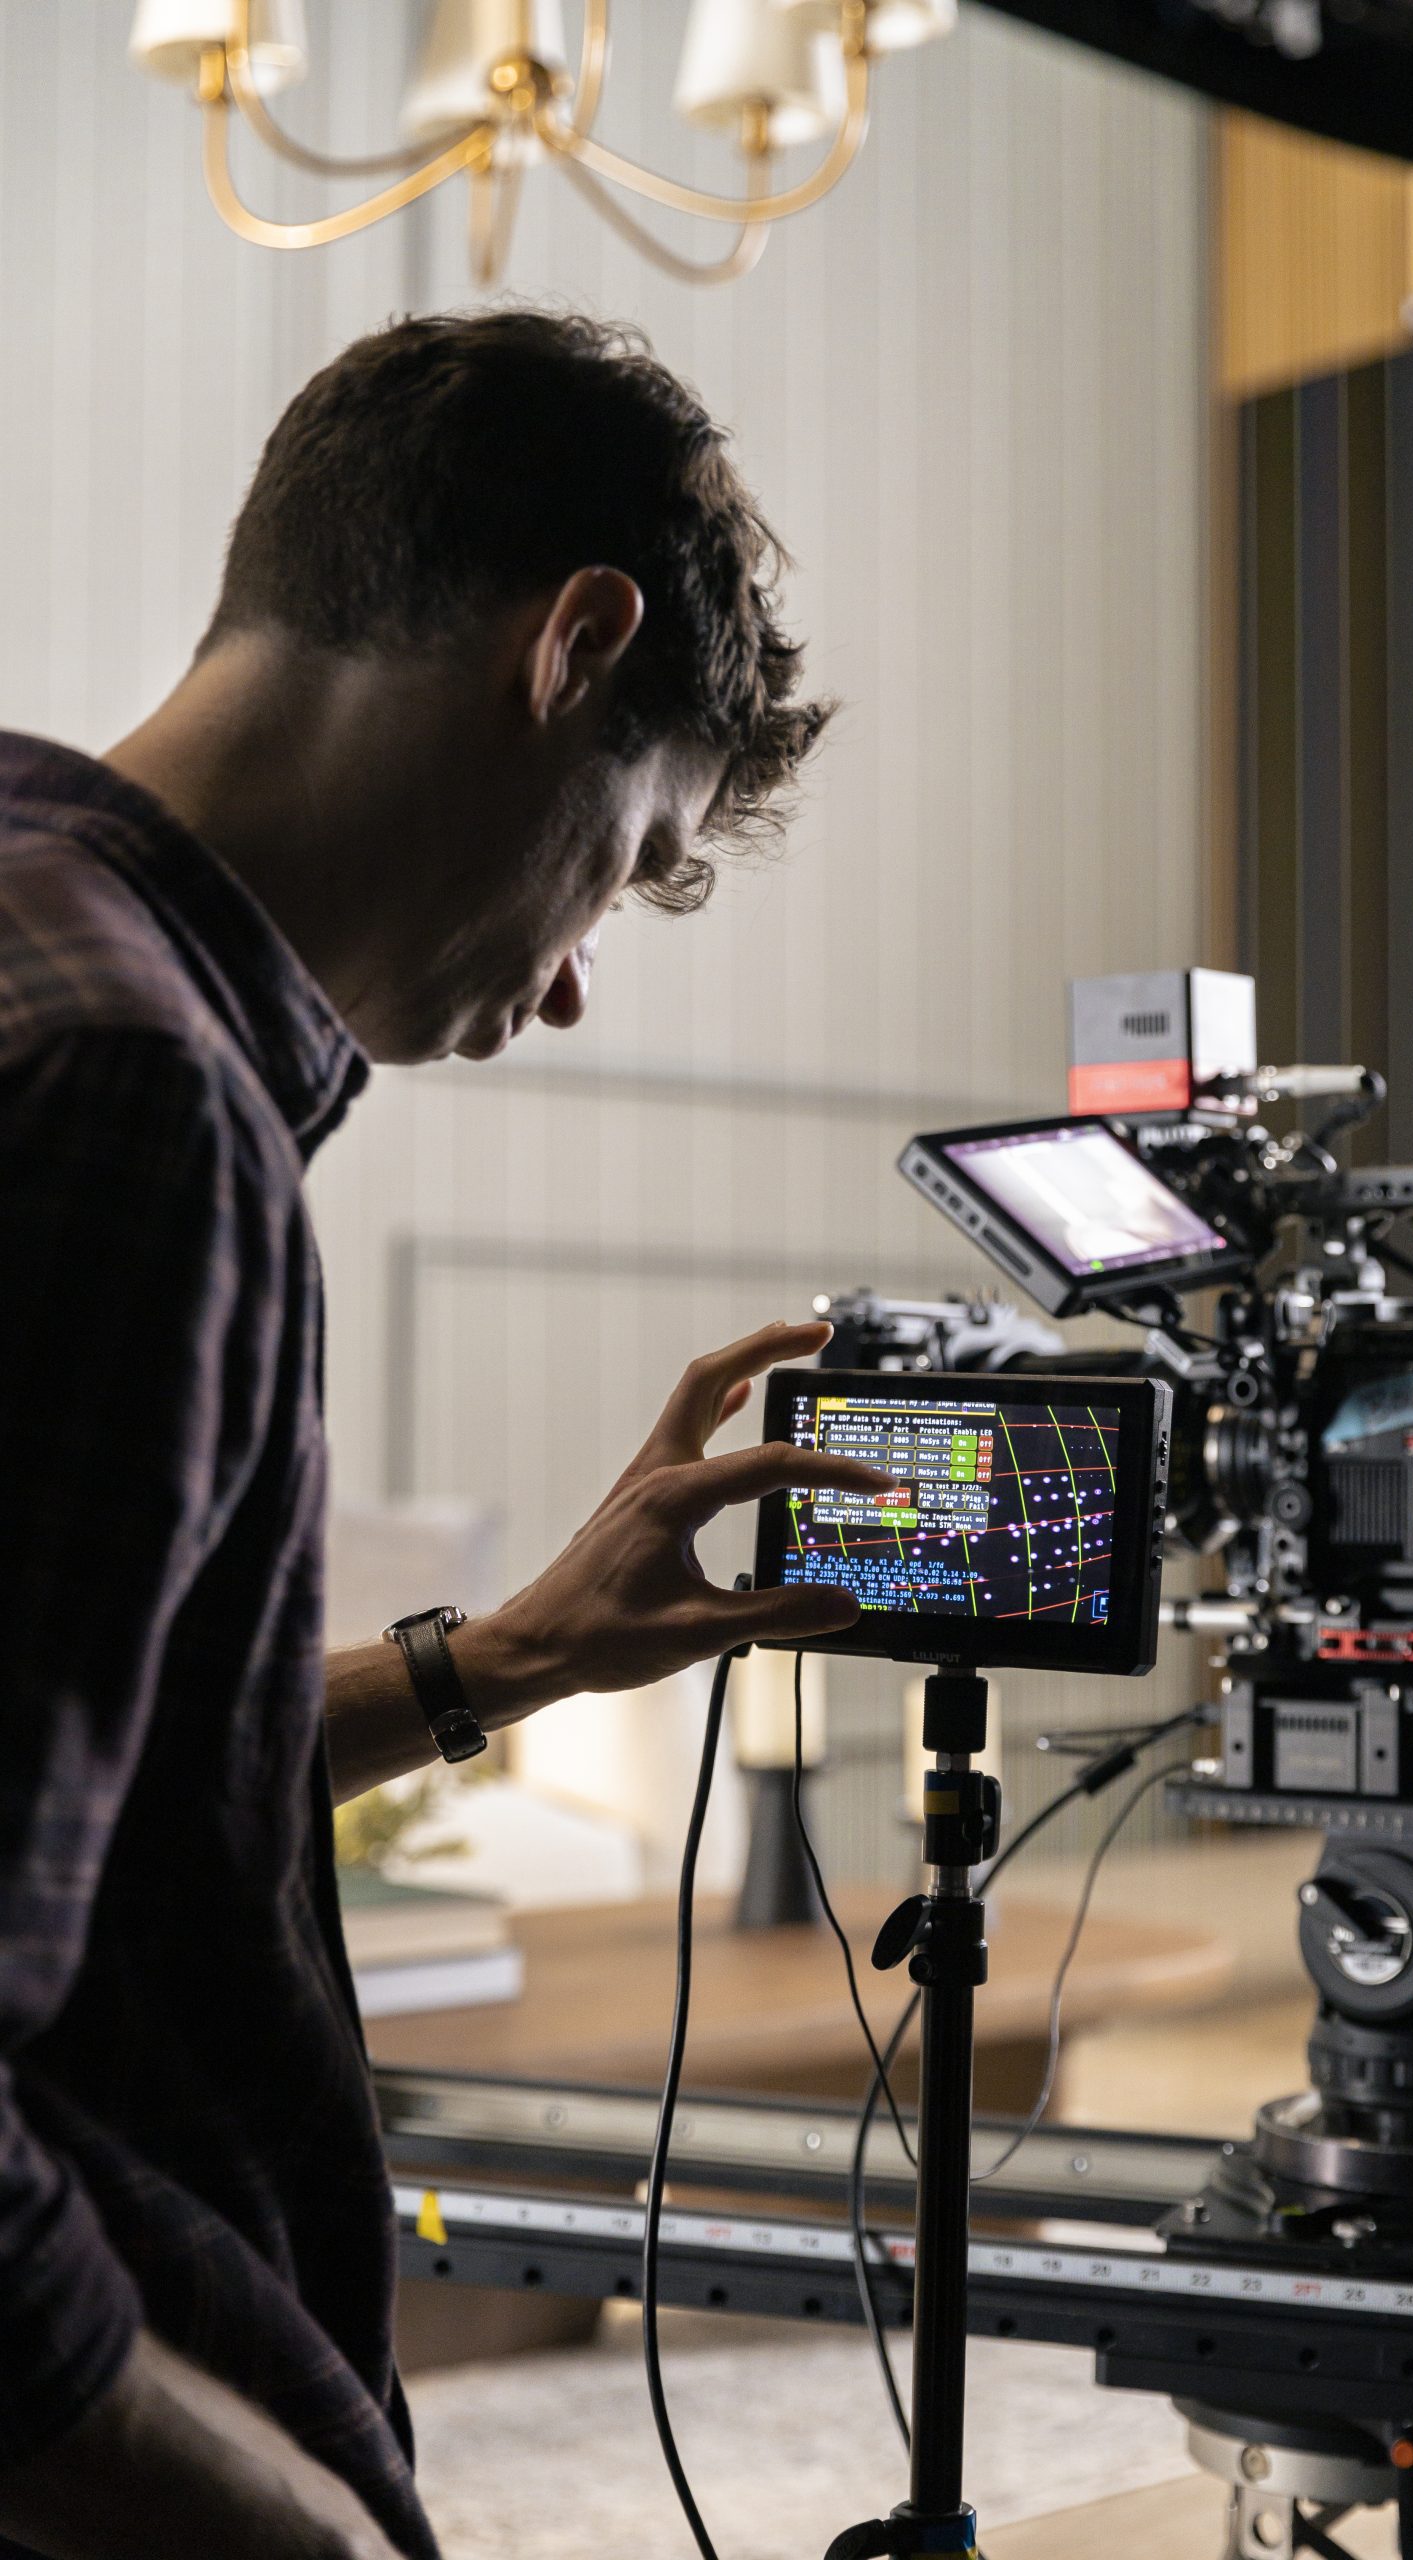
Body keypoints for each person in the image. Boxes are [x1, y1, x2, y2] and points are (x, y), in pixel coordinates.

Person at [0, 310, 894, 2560]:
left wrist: (497, 1661)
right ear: (573, 646)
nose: (580, 966)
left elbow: (77, 1819)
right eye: (635, 851)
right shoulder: (138, 1094)